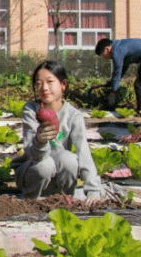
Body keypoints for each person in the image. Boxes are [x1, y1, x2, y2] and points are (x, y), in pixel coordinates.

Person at [12, 60, 101, 205]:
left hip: (59, 173)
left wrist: (93, 189)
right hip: (33, 171)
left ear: (63, 84)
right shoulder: (31, 110)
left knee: (70, 160)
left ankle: (64, 199)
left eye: (50, 82)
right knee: (45, 165)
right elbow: (31, 153)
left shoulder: (73, 115)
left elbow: (83, 151)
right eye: (38, 83)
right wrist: (40, 141)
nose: (44, 88)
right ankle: (30, 202)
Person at [94, 38, 141, 110]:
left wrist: (113, 92)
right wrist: (111, 83)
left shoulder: (116, 51)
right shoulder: (119, 45)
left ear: (107, 49)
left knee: (140, 84)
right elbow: (123, 69)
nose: (106, 58)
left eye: (104, 55)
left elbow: (117, 72)